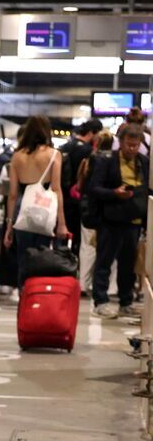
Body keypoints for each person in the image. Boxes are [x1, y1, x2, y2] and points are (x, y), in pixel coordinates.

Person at [88, 124, 148, 319]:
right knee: (104, 260)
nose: (132, 149)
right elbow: (94, 188)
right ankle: (101, 301)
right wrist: (114, 193)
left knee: (128, 264)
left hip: (134, 220)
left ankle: (126, 301)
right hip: (110, 219)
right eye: (129, 145)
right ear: (120, 143)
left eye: (135, 145)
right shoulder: (106, 161)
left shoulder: (144, 162)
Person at [3, 115, 71, 284]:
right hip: (44, 207)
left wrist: (9, 226)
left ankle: (24, 299)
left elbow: (12, 194)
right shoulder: (54, 154)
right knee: (43, 258)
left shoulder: (17, 156)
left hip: (22, 207)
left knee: (24, 260)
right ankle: (39, 300)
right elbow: (56, 189)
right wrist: (62, 223)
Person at [59, 118, 104, 257]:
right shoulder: (88, 151)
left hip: (63, 197)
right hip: (79, 200)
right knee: (78, 237)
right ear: (92, 133)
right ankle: (74, 262)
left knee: (63, 235)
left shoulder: (64, 147)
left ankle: (61, 262)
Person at [77, 131, 114, 296]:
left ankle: (83, 284)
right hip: (109, 210)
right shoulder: (114, 162)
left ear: (96, 142)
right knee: (109, 249)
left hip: (89, 209)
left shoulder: (88, 161)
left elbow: (80, 186)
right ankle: (111, 287)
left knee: (87, 247)